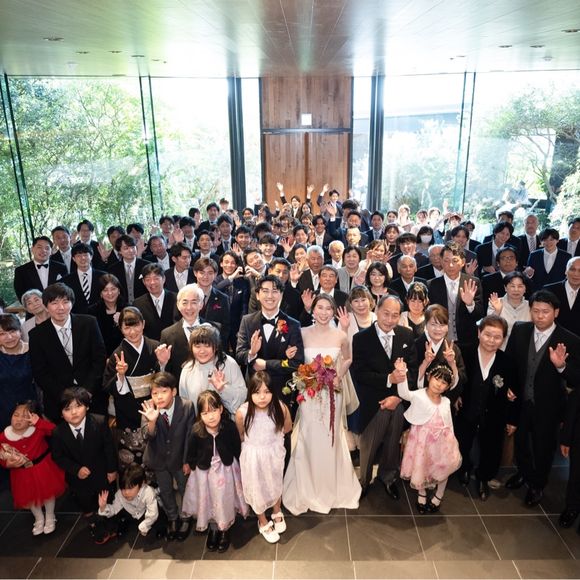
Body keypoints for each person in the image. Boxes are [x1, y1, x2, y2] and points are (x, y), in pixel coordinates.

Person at [283, 294, 361, 515]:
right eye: (320, 307)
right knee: (309, 436)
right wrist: (296, 365)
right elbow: (295, 361)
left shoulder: (340, 335)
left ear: (333, 312)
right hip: (309, 395)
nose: (324, 312)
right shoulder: (302, 332)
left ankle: (331, 485)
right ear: (313, 310)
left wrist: (339, 376)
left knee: (330, 437)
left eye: (329, 308)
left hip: (332, 395)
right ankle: (308, 485)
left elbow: (348, 358)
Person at [505, 290, 580, 507]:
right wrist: (509, 386)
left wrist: (561, 366)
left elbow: (576, 378)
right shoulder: (520, 330)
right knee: (521, 443)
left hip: (549, 406)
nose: (539, 316)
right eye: (535, 310)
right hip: (522, 401)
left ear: (556, 312)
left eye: (545, 311)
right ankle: (524, 473)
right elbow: (510, 362)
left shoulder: (570, 340)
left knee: (543, 448)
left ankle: (537, 485)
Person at [351, 295, 418, 499]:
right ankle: (364, 481)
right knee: (369, 444)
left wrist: (398, 397)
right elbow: (360, 373)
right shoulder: (361, 338)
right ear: (377, 311)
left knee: (392, 443)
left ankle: (388, 478)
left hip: (398, 401)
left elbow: (413, 371)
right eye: (386, 314)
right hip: (373, 402)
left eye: (395, 315)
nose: (389, 320)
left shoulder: (407, 335)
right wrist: (389, 379)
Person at [455, 315, 518, 500]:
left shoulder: (507, 362)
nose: (491, 340)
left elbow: (515, 393)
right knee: (462, 442)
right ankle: (463, 468)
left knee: (491, 447)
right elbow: (454, 377)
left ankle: (483, 477)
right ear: (479, 333)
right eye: (487, 335)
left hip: (494, 414)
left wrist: (512, 419)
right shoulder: (464, 352)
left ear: (503, 339)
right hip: (465, 409)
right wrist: (456, 395)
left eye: (497, 337)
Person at [29, 283, 107, 421]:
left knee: (97, 432)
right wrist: (64, 396)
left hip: (92, 396)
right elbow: (40, 372)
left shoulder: (89, 323)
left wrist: (88, 390)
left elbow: (99, 358)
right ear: (46, 306)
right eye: (54, 303)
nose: (61, 307)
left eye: (65, 302)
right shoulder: (37, 334)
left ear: (72, 303)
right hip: (58, 401)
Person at [182, 390, 249, 551]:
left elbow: (236, 446)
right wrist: (190, 464)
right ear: (200, 415)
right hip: (204, 472)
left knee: (224, 498)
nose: (210, 416)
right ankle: (213, 527)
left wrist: (241, 465)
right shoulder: (196, 430)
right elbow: (191, 450)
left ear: (220, 409)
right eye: (205, 413)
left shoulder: (229, 427)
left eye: (213, 411)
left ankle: (224, 529)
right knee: (209, 499)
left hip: (226, 470)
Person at [236, 371, 292, 544]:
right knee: (257, 487)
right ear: (250, 393)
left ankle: (276, 511)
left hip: (273, 453)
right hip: (253, 456)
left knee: (275, 482)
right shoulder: (242, 412)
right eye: (257, 392)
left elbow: (287, 428)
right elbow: (241, 435)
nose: (262, 397)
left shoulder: (280, 407)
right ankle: (262, 521)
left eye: (267, 392)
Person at [139, 372, 195, 540]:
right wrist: (152, 421)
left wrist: (187, 461)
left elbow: (189, 436)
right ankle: (172, 517)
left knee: (185, 488)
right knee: (165, 490)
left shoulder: (186, 406)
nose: (159, 397)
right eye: (155, 393)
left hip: (179, 457)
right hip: (158, 457)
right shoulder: (149, 407)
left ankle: (186, 517)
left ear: (174, 391)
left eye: (164, 391)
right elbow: (146, 437)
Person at [399, 363, 461, 513]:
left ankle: (439, 495)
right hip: (422, 443)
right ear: (429, 377)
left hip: (442, 443)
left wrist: (452, 442)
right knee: (422, 466)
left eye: (444, 383)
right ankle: (422, 493)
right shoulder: (419, 395)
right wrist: (402, 373)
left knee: (442, 468)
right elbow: (404, 393)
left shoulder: (446, 402)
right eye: (437, 379)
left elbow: (449, 423)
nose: (439, 384)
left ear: (448, 387)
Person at [0, 400, 66, 535]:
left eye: (25, 416)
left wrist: (39, 422)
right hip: (21, 472)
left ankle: (50, 516)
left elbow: (55, 431)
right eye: (16, 415)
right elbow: (2, 457)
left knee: (48, 494)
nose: (19, 419)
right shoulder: (3, 436)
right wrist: (7, 464)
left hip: (43, 467)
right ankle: (38, 518)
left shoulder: (37, 429)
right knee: (29, 497)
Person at [236, 275, 304, 404]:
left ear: (281, 295)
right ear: (257, 295)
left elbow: (296, 363)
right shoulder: (247, 321)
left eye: (274, 291)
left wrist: (266, 364)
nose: (270, 296)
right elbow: (239, 354)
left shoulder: (293, 325)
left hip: (281, 390)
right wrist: (252, 353)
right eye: (265, 291)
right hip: (254, 389)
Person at [103, 307, 170, 434]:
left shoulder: (155, 347)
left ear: (143, 324)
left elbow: (167, 380)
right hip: (128, 409)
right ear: (121, 329)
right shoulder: (117, 355)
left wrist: (163, 363)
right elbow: (107, 386)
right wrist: (120, 375)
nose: (132, 332)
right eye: (127, 328)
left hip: (155, 403)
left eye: (136, 325)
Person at [51, 388, 118, 516]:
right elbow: (58, 456)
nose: (74, 412)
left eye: (78, 406)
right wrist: (76, 469)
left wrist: (112, 470)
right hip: (77, 478)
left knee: (107, 503)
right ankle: (90, 518)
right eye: (67, 409)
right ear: (61, 413)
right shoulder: (58, 433)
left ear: (87, 407)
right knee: (85, 504)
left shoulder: (99, 422)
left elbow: (109, 448)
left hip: (101, 473)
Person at [179, 324, 247, 417]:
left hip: (227, 422)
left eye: (207, 346)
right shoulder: (188, 368)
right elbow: (185, 406)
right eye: (197, 346)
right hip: (198, 423)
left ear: (216, 346)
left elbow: (242, 400)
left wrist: (223, 389)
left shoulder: (229, 364)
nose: (202, 351)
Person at [95, 463, 159, 543]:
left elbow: (153, 513)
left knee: (157, 519)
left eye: (130, 488)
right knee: (118, 515)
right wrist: (103, 507)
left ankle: (161, 528)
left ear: (142, 484)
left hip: (145, 514)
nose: (126, 493)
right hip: (132, 515)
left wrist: (145, 525)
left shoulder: (148, 492)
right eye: (123, 488)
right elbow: (114, 509)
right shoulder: (120, 494)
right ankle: (124, 524)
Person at [0, 314, 36, 431]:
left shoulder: (33, 350)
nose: (9, 337)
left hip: (29, 408)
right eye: (2, 334)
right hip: (2, 410)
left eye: (12, 331)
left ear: (20, 331)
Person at [13, 236, 67, 302]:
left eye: (47, 248)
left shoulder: (61, 267)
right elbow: (21, 294)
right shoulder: (21, 271)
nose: (43, 250)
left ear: (51, 251)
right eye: (39, 247)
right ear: (32, 249)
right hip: (34, 307)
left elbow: (66, 290)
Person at [133, 263, 178, 341]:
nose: (152, 282)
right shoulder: (138, 303)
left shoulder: (177, 299)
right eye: (148, 279)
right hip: (151, 346)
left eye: (156, 278)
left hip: (174, 344)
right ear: (143, 282)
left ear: (163, 279)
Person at [487, 271, 531, 349]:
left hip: (524, 349)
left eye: (520, 286)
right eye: (512, 286)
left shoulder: (531, 306)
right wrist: (497, 311)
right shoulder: (496, 302)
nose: (516, 290)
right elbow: (488, 327)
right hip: (500, 348)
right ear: (505, 288)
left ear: (525, 289)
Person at [62, 243, 106, 314]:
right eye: (78, 256)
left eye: (85, 255)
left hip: (101, 316)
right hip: (77, 317)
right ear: (73, 259)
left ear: (91, 256)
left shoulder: (104, 276)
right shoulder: (65, 281)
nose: (83, 258)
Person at [87, 274, 126, 357]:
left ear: (119, 290)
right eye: (105, 290)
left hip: (125, 354)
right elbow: (92, 340)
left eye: (113, 289)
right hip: (102, 356)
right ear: (100, 293)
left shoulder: (127, 309)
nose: (110, 293)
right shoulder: (92, 312)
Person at [545, 256, 580, 337]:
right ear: (566, 271)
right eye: (572, 269)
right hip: (553, 339)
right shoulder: (549, 291)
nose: (576, 274)